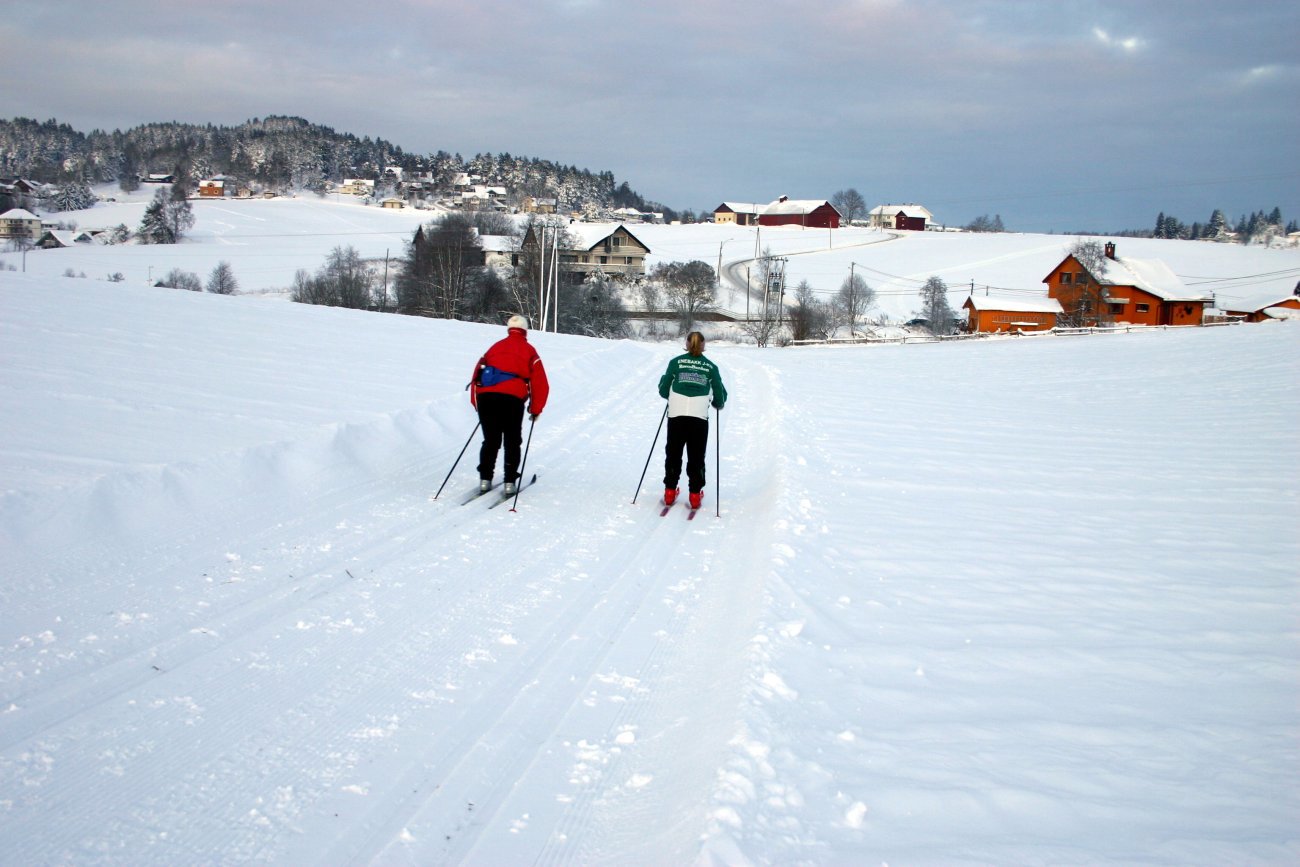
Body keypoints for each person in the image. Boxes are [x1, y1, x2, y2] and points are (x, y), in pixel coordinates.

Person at [469, 314, 549, 495]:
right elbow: (540, 383)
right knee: (512, 441)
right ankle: (510, 482)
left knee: (491, 440)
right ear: (525, 330)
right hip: (512, 400)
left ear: (509, 329)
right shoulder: (529, 350)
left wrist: (476, 403)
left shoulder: (494, 348)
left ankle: (485, 480)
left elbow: (476, 375)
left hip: (486, 398)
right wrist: (535, 410)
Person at [658, 331, 727, 510]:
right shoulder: (711, 367)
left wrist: (669, 392)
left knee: (673, 453)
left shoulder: (675, 363)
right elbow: (719, 392)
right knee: (696, 456)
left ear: (687, 343)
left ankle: (670, 492)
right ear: (703, 345)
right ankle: (695, 495)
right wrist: (718, 403)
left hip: (676, 414)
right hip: (698, 416)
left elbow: (664, 390)